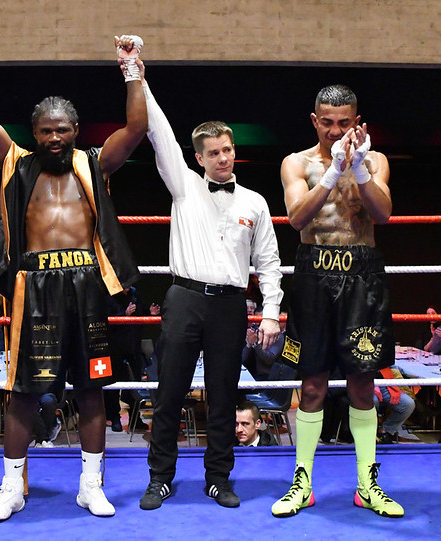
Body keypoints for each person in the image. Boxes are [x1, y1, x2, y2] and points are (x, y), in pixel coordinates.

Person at [0, 13, 146, 520]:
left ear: (76, 131)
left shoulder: (95, 163)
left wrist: (132, 69)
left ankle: (91, 485)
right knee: (24, 392)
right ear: (34, 133)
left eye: (62, 130)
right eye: (46, 131)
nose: (55, 139)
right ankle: (11, 487)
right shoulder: (16, 163)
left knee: (90, 388)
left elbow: (136, 128)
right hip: (34, 286)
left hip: (86, 284)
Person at [138, 69, 283, 511]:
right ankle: (160, 479)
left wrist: (271, 312)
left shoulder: (255, 202)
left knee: (223, 397)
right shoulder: (183, 186)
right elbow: (159, 133)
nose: (223, 158)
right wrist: (137, 77)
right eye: (214, 152)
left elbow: (269, 262)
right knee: (169, 393)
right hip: (184, 299)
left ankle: (218, 479)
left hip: (230, 306)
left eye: (227, 150)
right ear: (199, 158)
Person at [273, 84, 403, 519]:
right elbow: (296, 218)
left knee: (362, 384)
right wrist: (332, 174)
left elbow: (383, 214)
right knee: (311, 385)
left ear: (356, 122)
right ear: (315, 121)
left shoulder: (375, 160)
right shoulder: (297, 163)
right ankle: (302, 484)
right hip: (314, 273)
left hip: (362, 274)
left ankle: (367, 485)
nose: (334, 130)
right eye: (326, 122)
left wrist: (358, 167)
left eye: (343, 123)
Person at [103, 285, 160, 432]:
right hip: (115, 348)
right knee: (113, 386)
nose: (128, 286)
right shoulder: (109, 295)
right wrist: (124, 314)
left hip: (133, 347)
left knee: (135, 385)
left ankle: (135, 418)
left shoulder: (135, 293)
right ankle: (114, 418)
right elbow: (105, 320)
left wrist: (150, 313)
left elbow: (140, 311)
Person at [373, 367, 416, 444]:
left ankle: (385, 431)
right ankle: (369, 432)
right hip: (363, 383)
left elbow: (392, 366)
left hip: (385, 383)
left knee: (408, 404)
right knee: (372, 402)